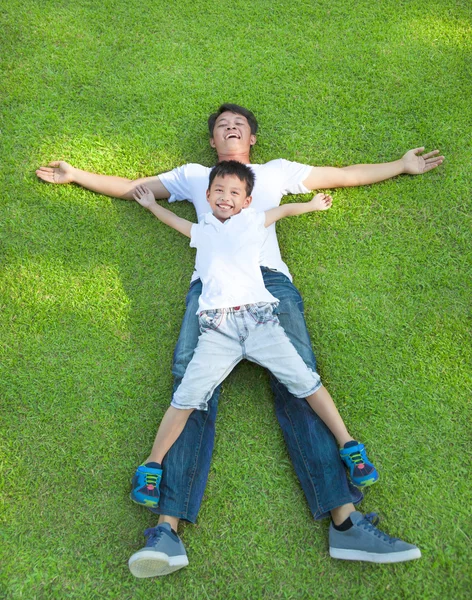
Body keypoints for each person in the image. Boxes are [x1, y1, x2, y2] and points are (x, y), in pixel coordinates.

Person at [36, 104, 442, 575]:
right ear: (212, 143)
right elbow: (137, 190)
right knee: (190, 392)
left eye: (240, 125)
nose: (230, 128)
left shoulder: (275, 173)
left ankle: (346, 524)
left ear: (252, 140)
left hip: (271, 285)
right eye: (221, 126)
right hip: (212, 296)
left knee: (301, 384)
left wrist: (402, 165)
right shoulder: (195, 177)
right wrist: (77, 175)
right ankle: (166, 531)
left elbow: (343, 176)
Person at [130, 161, 378, 518]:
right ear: (207, 196)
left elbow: (282, 210)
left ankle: (349, 446)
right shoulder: (204, 230)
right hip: (217, 329)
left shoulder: (252, 220)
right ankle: (151, 467)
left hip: (261, 322)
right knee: (186, 396)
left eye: (234, 193)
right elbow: (178, 223)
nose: (225, 198)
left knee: (306, 381)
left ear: (246, 201)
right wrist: (153, 206)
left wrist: (310, 206)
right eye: (218, 191)